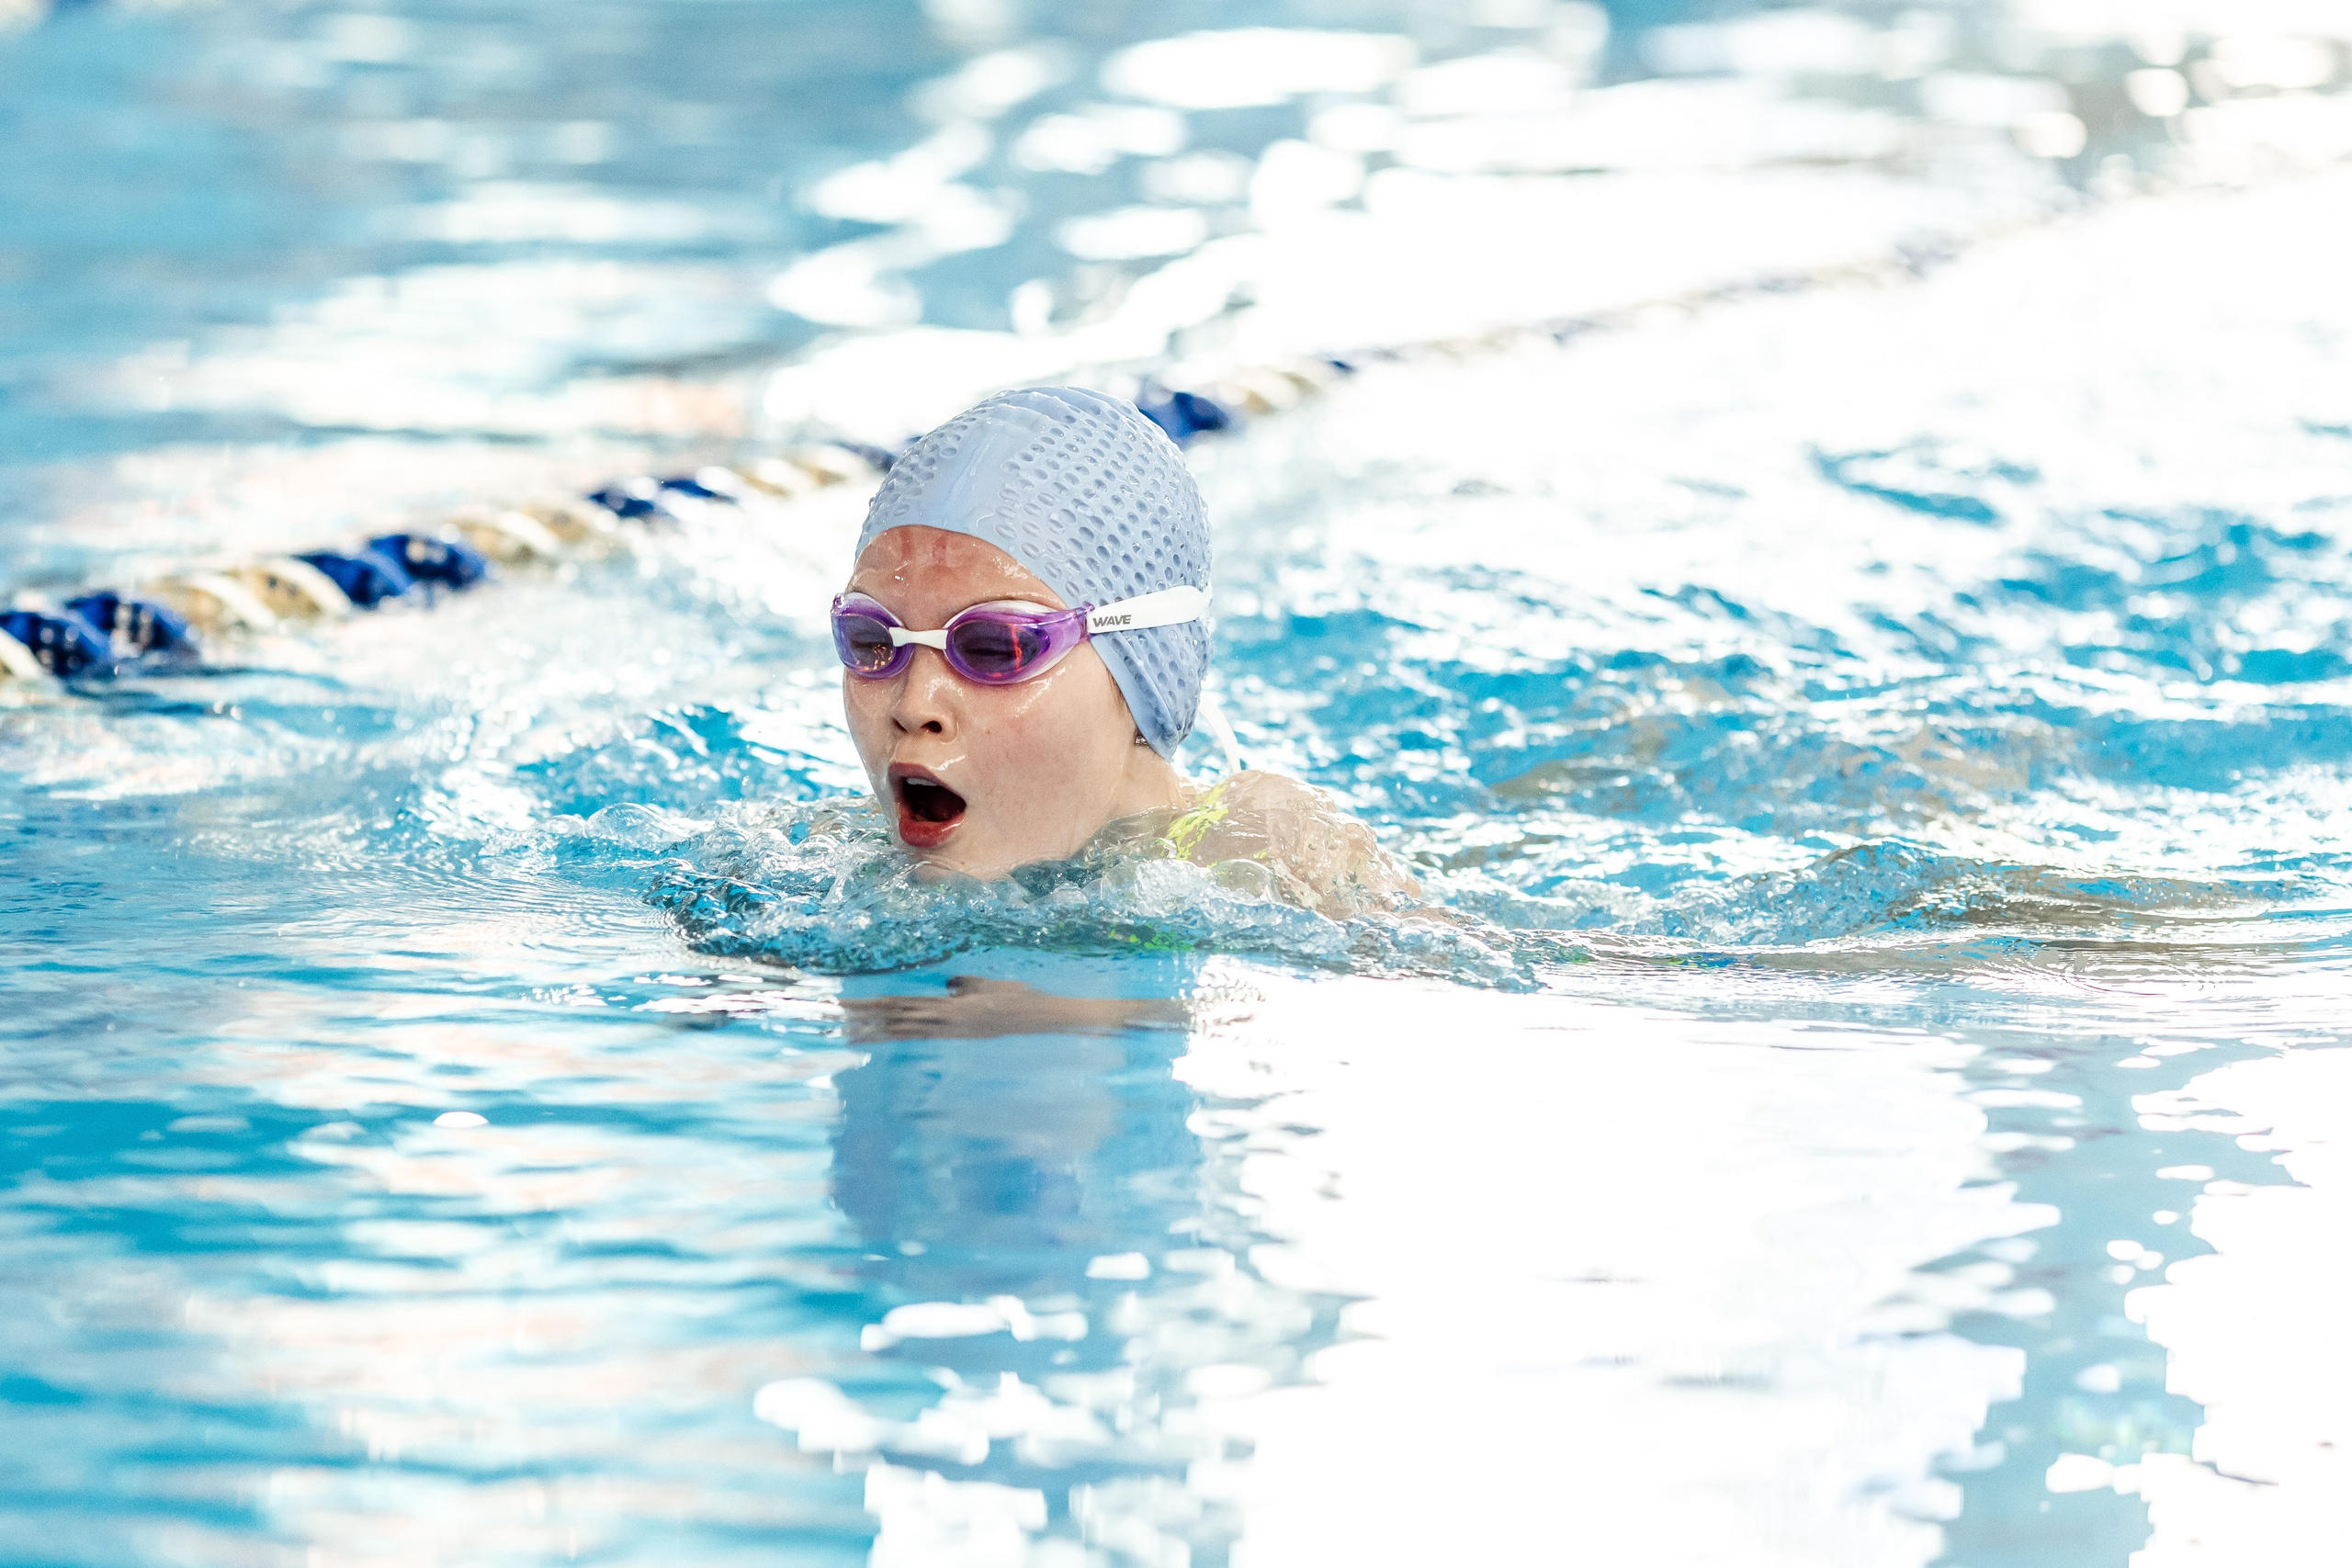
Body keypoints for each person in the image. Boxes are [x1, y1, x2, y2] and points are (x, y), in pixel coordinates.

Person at [831, 385, 1416, 919]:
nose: (914, 705)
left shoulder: (1268, 854)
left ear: (1141, 671)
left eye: (994, 647)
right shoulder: (834, 862)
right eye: (872, 640)